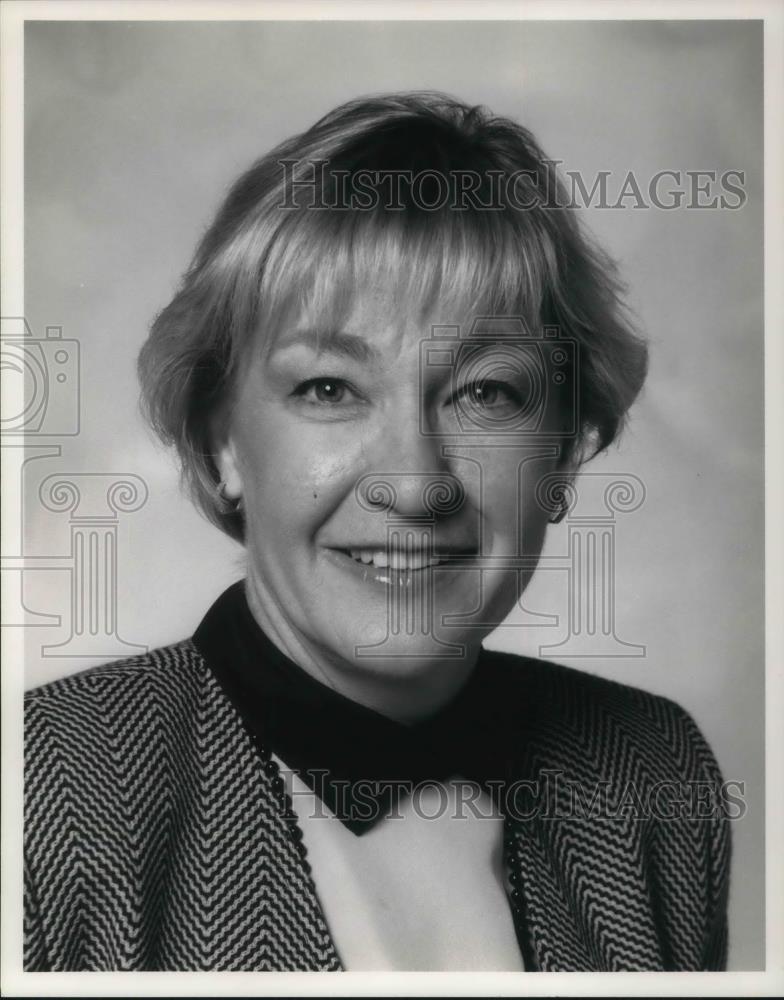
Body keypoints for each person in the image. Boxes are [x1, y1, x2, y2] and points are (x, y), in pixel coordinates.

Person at [23, 92, 730, 972]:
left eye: (487, 392)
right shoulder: (39, 789)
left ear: (562, 454)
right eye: (329, 389)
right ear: (220, 440)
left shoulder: (652, 773)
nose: (415, 482)